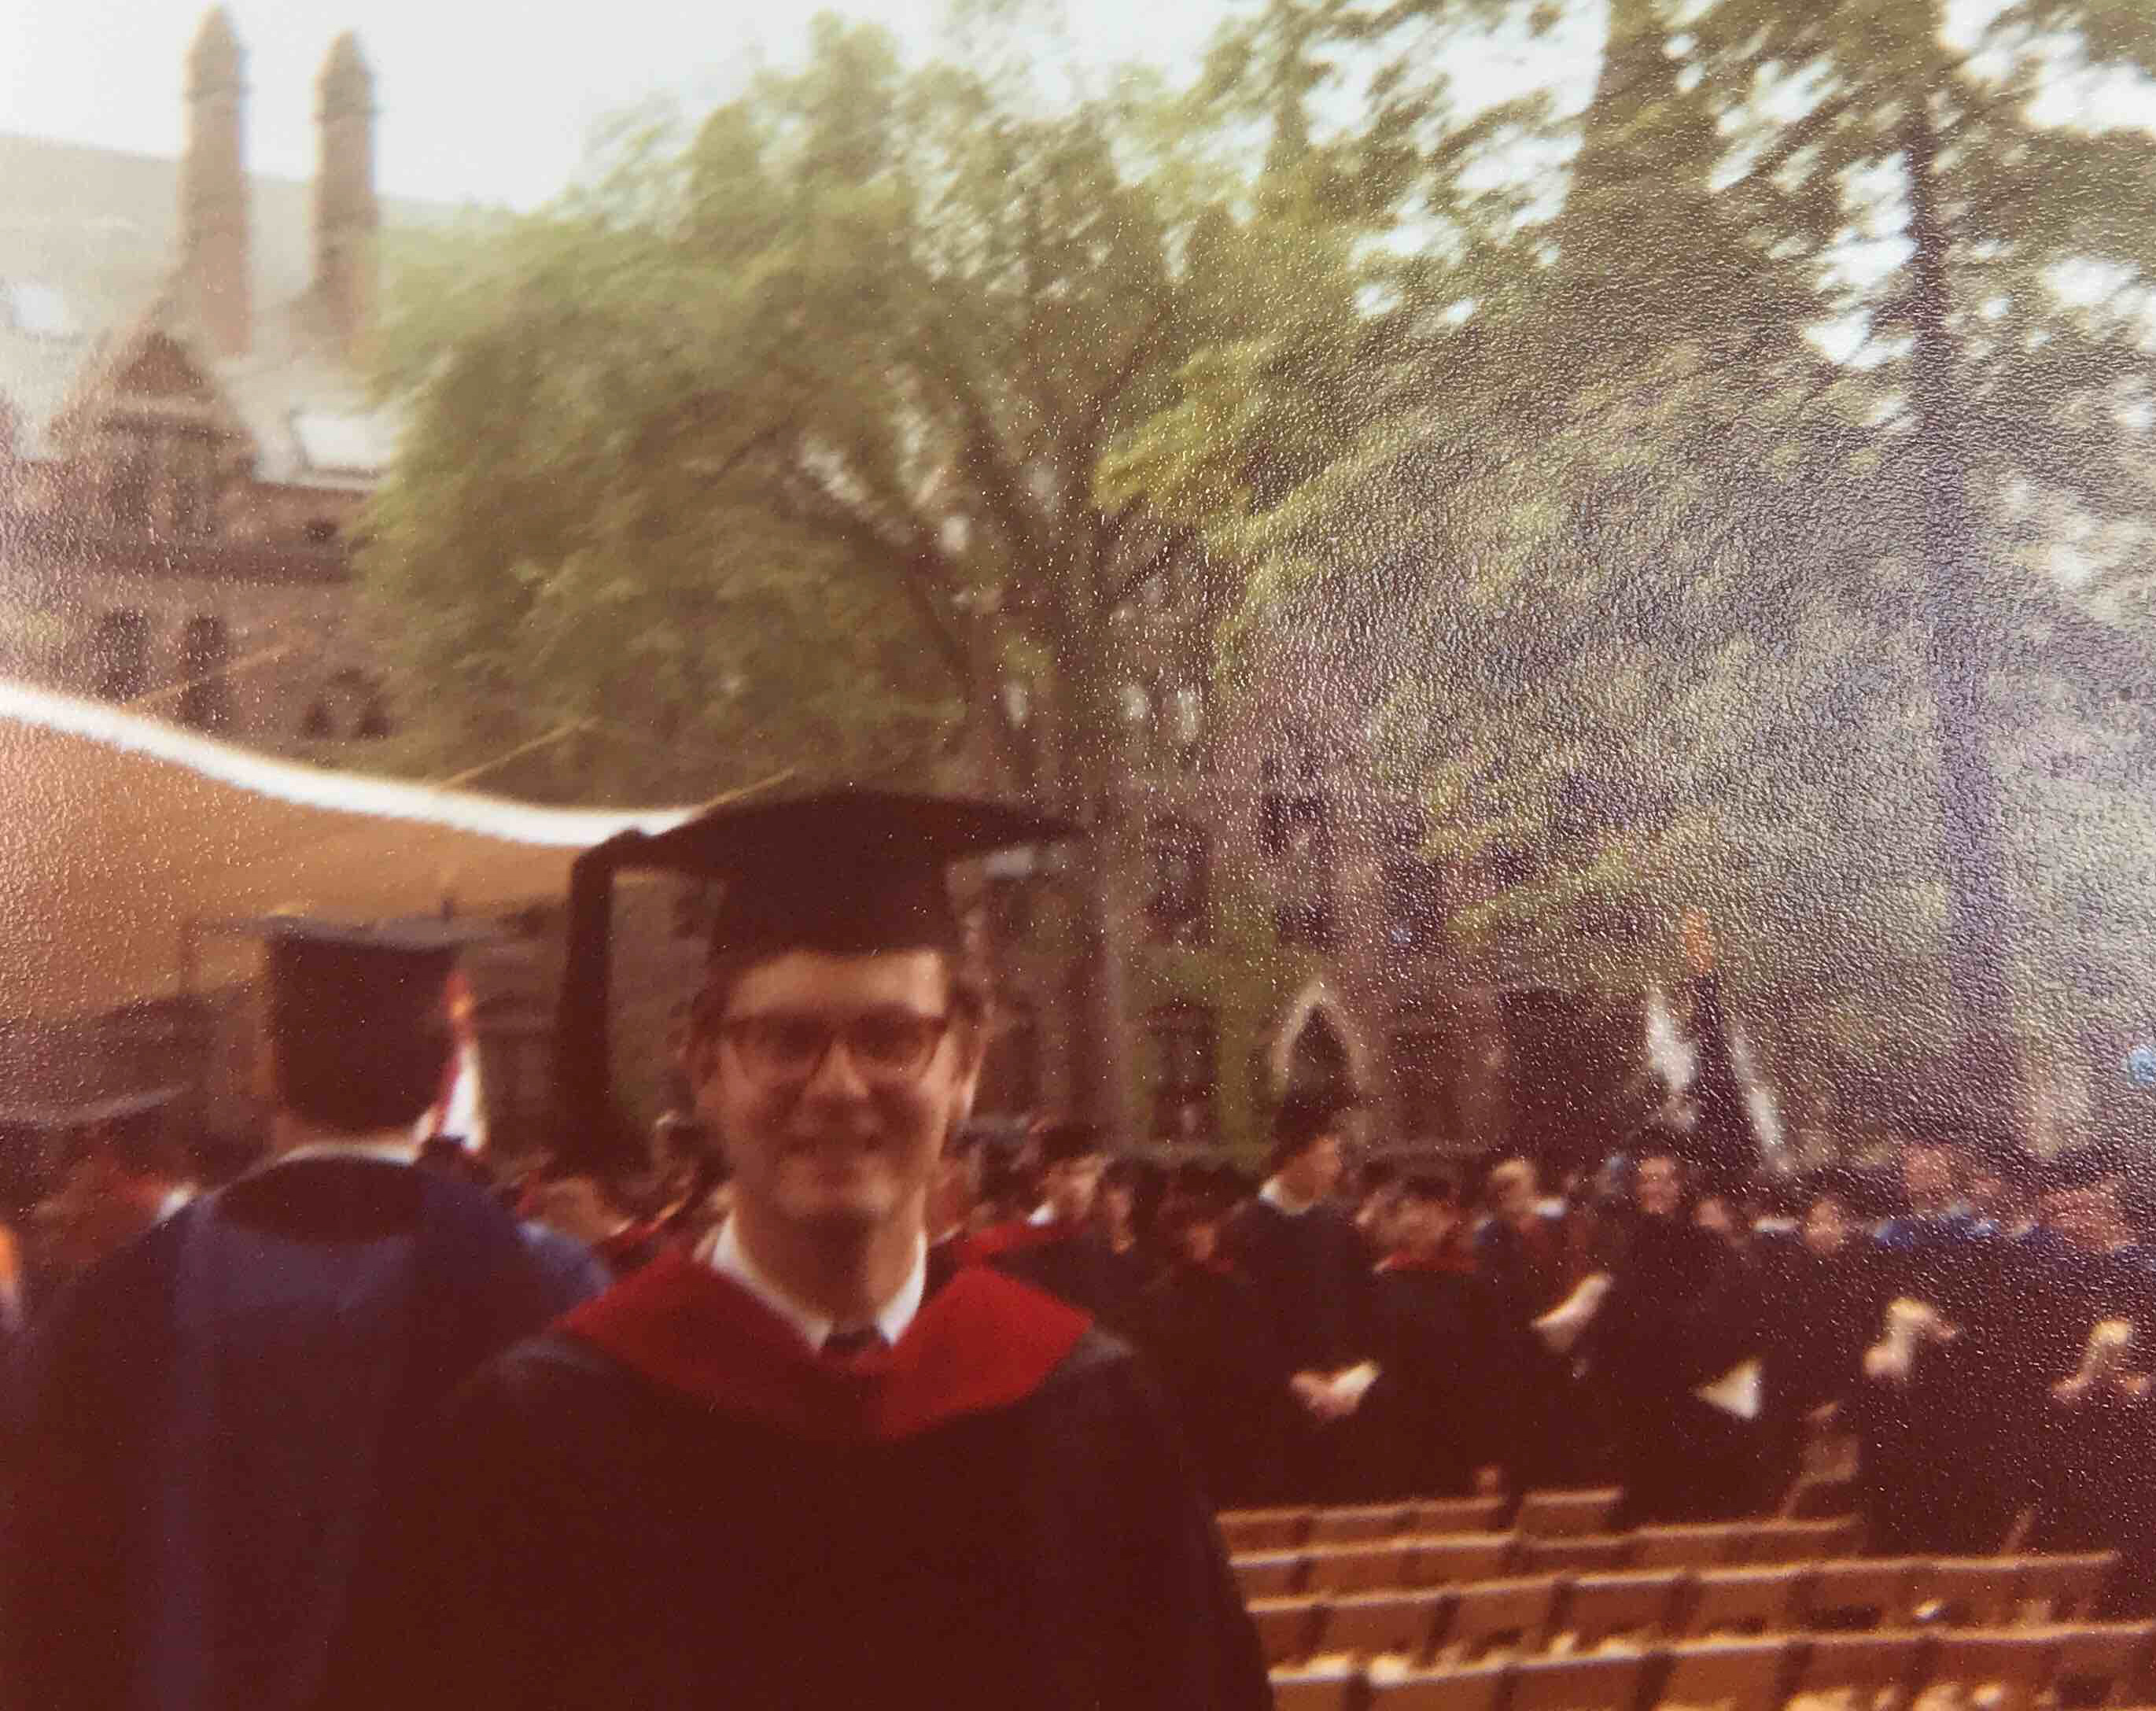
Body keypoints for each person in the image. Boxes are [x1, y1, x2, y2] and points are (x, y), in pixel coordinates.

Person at [356, 789, 1266, 1711]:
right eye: (784, 1039)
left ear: (966, 1063)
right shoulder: (534, 1436)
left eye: (891, 1037)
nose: (837, 1087)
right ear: (701, 1063)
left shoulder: (1091, 1414)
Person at [5, 916, 564, 1711]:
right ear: (444, 1074)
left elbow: (39, 1593)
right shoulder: (545, 1284)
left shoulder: (116, 1301)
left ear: (264, 1068)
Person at [1222, 1092, 1380, 1502]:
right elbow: (1238, 1330)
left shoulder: (1339, 1225)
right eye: (1327, 1157)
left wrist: (1358, 1373)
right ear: (1293, 1158)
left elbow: (1367, 1310)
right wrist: (1292, 1380)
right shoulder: (1244, 1230)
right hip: (1274, 1415)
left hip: (1344, 1404)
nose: (1337, 1169)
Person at [1135, 1167, 1290, 1506]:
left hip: (1238, 1434)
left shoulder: (1242, 1292)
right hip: (1184, 1436)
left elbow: (1263, 1368)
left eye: (1203, 1225)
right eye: (1185, 1227)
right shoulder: (1155, 1299)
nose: (1195, 1236)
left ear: (1218, 1229)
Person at [1357, 1173, 1502, 1499]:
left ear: (1451, 1219)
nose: (1419, 1219)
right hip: (1394, 1435)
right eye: (1411, 1209)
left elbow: (1491, 1376)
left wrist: (1489, 1457)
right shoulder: (1381, 1282)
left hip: (1457, 1435)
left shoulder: (1474, 1285)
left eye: (1433, 1211)